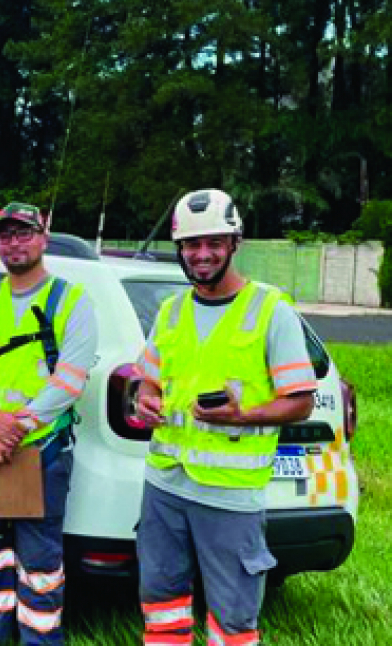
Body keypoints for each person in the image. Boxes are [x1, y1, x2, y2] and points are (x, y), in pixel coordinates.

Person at [133, 189, 317, 646]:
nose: (202, 254)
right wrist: (144, 398)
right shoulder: (171, 310)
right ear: (178, 249)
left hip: (230, 496)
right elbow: (148, 380)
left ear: (235, 243)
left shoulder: (270, 309)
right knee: (161, 606)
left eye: (214, 242)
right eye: (192, 245)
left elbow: (301, 400)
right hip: (165, 485)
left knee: (233, 621)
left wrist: (243, 417)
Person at [0, 204, 97, 645]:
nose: (14, 243)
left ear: (43, 237)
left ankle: (40, 641)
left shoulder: (71, 300)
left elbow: (70, 378)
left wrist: (15, 430)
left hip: (41, 451)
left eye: (24, 233)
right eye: (5, 236)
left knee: (40, 564)